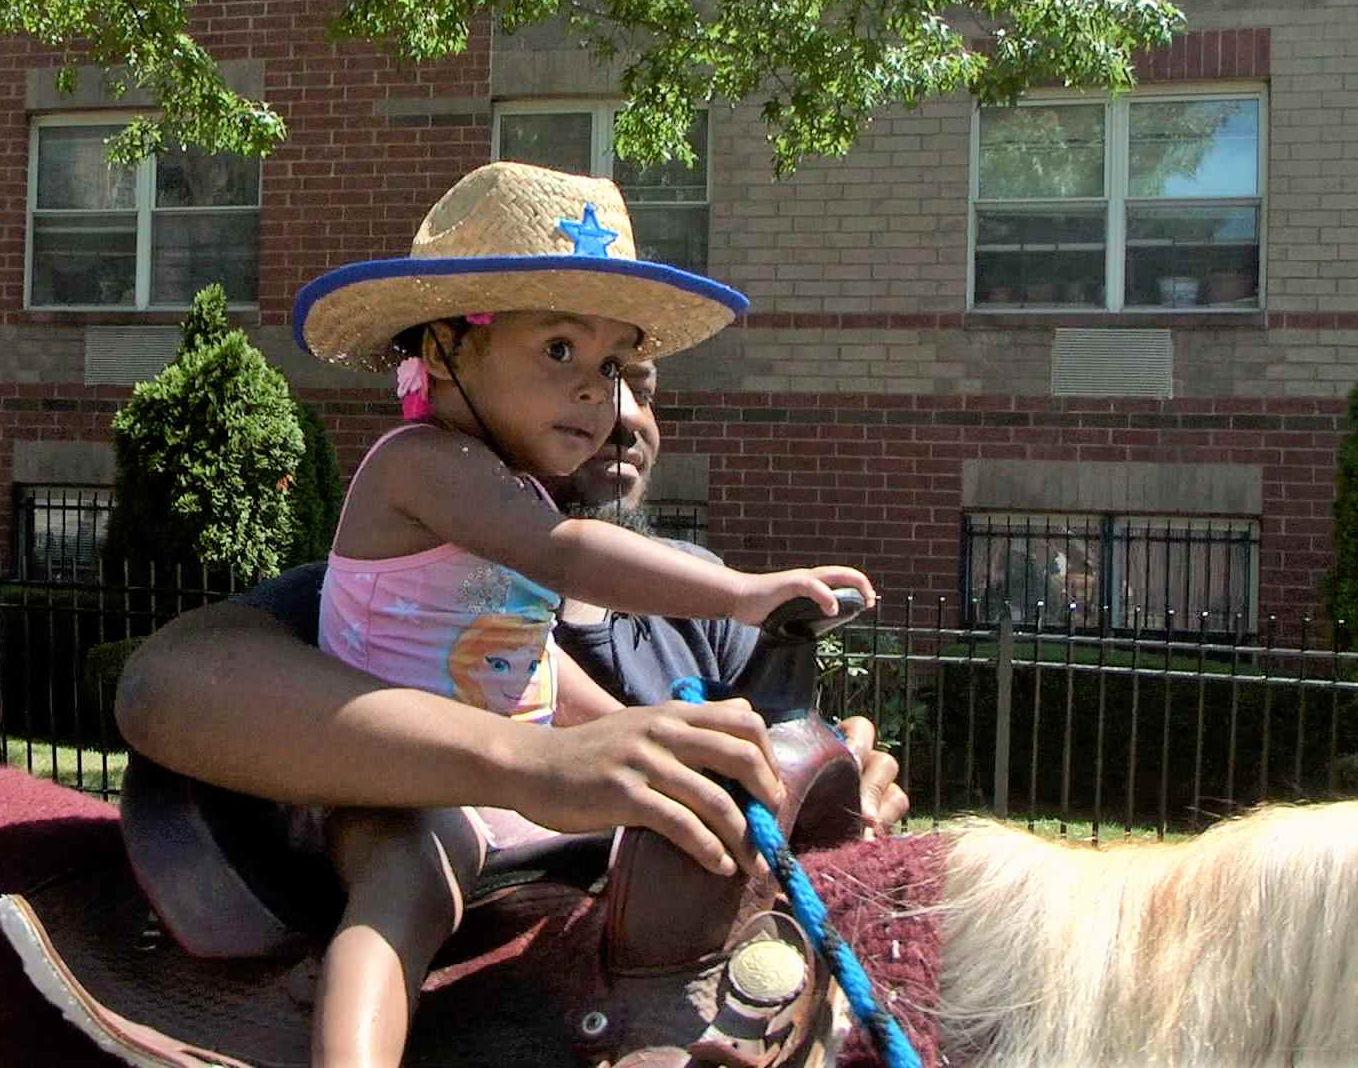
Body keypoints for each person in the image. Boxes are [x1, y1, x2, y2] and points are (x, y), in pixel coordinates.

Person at [169, 161, 875, 1066]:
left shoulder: (509, 494)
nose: (596, 392)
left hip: (494, 790)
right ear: (444, 352)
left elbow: (527, 656)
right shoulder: (423, 464)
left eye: (612, 364)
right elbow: (565, 555)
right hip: (390, 782)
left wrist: (635, 733)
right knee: (405, 892)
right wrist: (742, 591)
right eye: (559, 351)